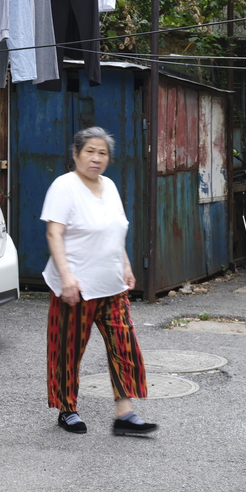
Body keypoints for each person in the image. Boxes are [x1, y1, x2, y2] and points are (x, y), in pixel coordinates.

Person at [41, 126, 156, 437]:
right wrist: (66, 277)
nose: (96, 158)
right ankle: (67, 409)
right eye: (89, 151)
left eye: (102, 153)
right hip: (76, 286)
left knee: (124, 346)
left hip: (112, 285)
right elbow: (54, 233)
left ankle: (124, 414)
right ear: (75, 154)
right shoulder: (64, 186)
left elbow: (114, 231)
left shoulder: (109, 187)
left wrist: (127, 265)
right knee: (68, 349)